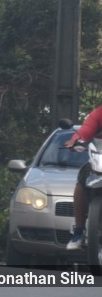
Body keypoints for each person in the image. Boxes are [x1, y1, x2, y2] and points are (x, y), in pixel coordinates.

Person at [64, 106, 102, 250]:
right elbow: (85, 131)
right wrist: (76, 140)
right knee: (82, 182)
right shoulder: (99, 113)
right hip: (99, 161)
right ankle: (79, 231)